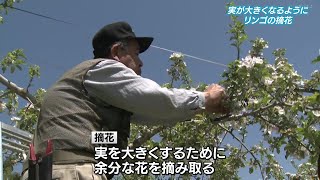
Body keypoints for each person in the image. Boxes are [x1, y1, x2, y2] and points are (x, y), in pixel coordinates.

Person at [21, 21, 228, 179]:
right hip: (71, 172)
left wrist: (202, 107)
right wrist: (205, 98)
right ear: (117, 52)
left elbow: (155, 112)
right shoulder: (103, 69)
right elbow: (155, 100)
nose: (141, 62)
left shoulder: (102, 92)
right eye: (136, 54)